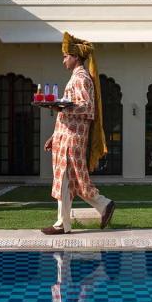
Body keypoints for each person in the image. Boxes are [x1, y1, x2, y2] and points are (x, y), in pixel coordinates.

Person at [41, 32, 115, 235]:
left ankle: (65, 223)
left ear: (76, 57)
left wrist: (61, 107)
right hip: (66, 135)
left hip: (74, 136)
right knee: (71, 179)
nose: (64, 59)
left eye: (66, 55)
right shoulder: (76, 78)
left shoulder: (81, 78)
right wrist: (54, 137)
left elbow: (87, 108)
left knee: (69, 178)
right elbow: (70, 112)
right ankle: (101, 206)